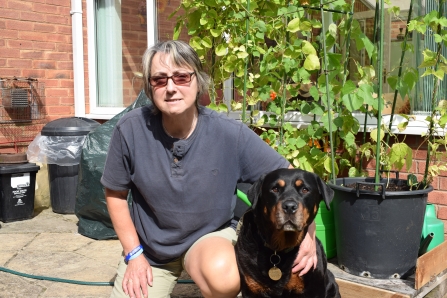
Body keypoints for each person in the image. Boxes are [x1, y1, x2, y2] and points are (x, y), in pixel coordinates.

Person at [101, 40, 317, 298]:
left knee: (223, 276)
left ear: (198, 80)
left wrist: (308, 236)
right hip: (151, 250)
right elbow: (115, 194)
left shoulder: (229, 134)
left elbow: (294, 179)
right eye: (160, 79)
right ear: (150, 86)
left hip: (208, 239)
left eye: (181, 77)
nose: (171, 88)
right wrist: (134, 254)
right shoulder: (131, 129)